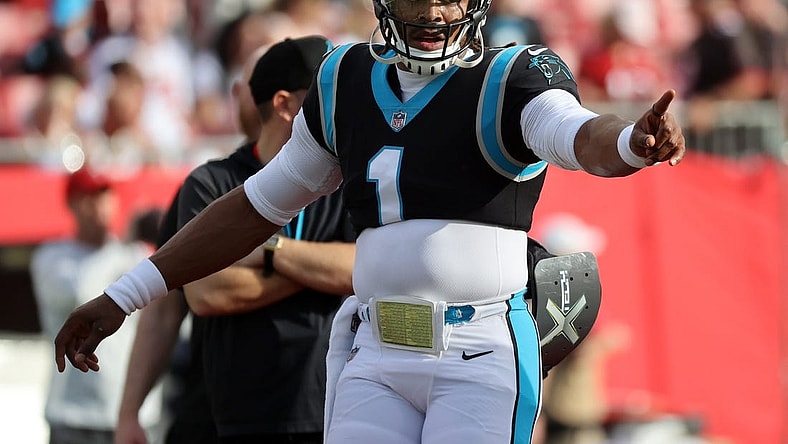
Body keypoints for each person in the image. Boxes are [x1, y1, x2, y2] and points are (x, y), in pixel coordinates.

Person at [55, 0, 686, 442]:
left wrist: (632, 142)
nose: (436, 13)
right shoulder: (343, 79)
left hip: (480, 349)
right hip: (374, 351)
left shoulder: (512, 76)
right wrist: (125, 295)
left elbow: (577, 135)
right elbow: (253, 205)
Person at [114, 36, 356, 444]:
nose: (343, 105)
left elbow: (360, 268)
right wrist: (322, 270)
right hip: (229, 419)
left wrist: (269, 251)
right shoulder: (210, 184)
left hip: (332, 412)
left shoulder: (351, 179)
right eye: (327, 92)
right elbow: (205, 291)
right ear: (285, 105)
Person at [30, 167, 163, 444]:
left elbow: (161, 318)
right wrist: (121, 244)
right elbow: (83, 296)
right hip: (73, 414)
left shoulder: (134, 253)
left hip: (131, 411)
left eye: (104, 195)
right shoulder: (51, 257)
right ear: (71, 204)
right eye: (87, 197)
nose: (98, 206)